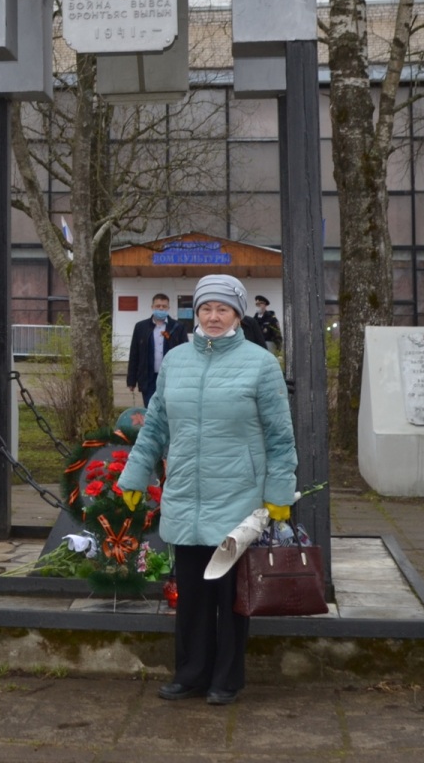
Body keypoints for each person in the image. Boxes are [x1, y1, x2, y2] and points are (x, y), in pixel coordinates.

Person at [119, 274, 297, 707]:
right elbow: (156, 424)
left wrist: (279, 493)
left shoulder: (260, 364)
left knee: (230, 597)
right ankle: (191, 673)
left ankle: (227, 678)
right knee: (192, 594)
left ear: (237, 314)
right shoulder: (177, 361)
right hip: (186, 493)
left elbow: (280, 437)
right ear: (194, 313)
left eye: (223, 309)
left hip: (239, 497)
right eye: (206, 308)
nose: (214, 317)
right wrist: (135, 476)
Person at [125, 293, 189, 406]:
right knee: (150, 408)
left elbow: (185, 353)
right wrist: (131, 380)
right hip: (148, 377)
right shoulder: (141, 327)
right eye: (158, 306)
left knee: (168, 409)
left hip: (170, 377)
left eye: (164, 306)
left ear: (168, 308)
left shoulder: (178, 327)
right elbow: (134, 354)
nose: (161, 308)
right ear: (152, 307)